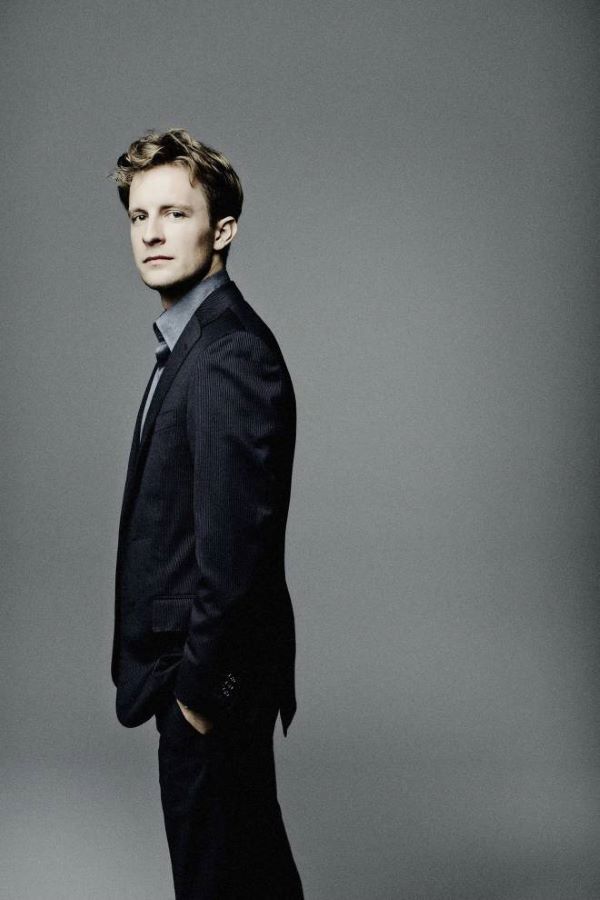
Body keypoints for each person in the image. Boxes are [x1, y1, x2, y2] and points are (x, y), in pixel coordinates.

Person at [109, 129, 304, 899]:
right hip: (201, 682)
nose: (152, 233)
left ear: (222, 230)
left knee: (221, 881)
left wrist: (197, 697)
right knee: (248, 877)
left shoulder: (228, 356)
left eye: (175, 213)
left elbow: (235, 551)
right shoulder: (191, 342)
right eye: (139, 215)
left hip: (208, 689)